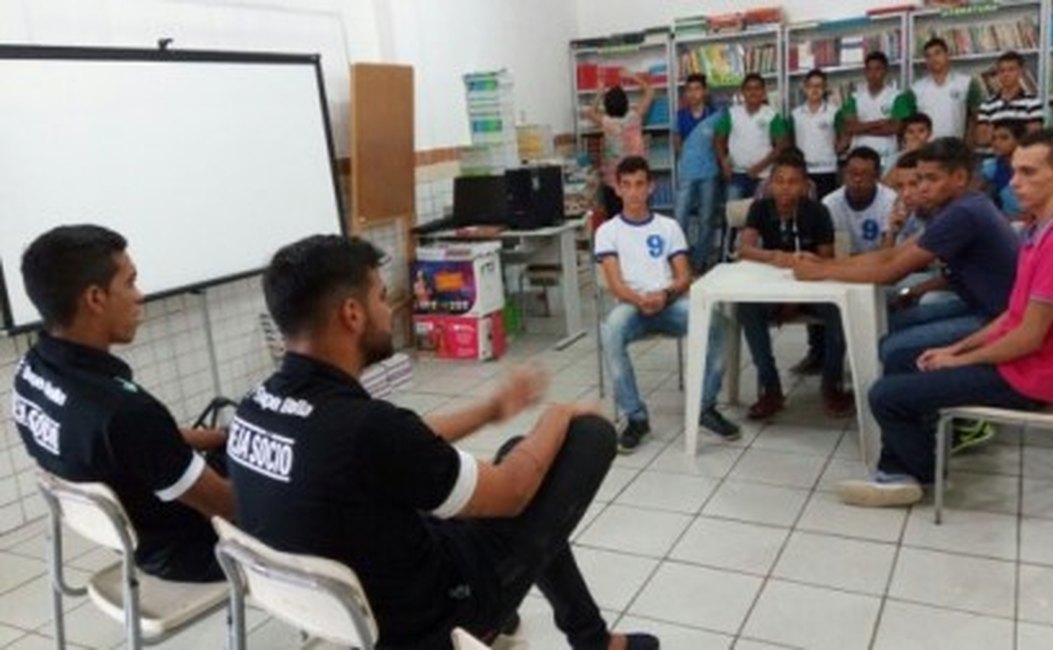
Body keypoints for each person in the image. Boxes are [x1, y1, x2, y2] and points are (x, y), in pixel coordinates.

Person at [229, 234, 661, 650]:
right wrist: (558, 413)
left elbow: (402, 443)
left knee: (527, 458)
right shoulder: (367, 428)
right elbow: (510, 493)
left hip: (354, 609)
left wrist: (491, 409)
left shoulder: (254, 407)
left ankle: (594, 640)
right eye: (381, 297)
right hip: (434, 620)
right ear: (352, 314)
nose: (391, 311)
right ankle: (577, 636)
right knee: (579, 439)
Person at [836, 128, 1053, 507]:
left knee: (885, 395)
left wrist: (958, 359)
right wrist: (958, 346)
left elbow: (1028, 337)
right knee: (902, 358)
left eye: (1029, 173)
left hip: (1029, 376)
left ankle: (917, 473)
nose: (1015, 183)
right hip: (1022, 360)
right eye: (1014, 172)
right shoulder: (1039, 229)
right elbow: (1012, 314)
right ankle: (899, 470)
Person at [14, 225, 233, 582]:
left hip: (131, 537)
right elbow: (229, 508)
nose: (139, 296)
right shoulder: (124, 411)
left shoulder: (32, 369)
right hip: (190, 550)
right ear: (95, 299)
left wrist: (223, 435)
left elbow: (143, 442)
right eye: (130, 283)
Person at [794, 138, 1019, 378]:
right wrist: (827, 263)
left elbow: (889, 273)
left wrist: (820, 272)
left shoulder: (962, 213)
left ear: (960, 178)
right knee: (889, 325)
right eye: (920, 178)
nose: (922, 188)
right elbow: (892, 254)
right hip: (978, 303)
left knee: (891, 348)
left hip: (998, 317)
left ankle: (929, 395)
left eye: (932, 179)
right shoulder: (956, 206)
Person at [596, 155, 740, 451]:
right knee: (611, 330)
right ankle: (636, 417)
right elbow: (615, 284)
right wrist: (640, 299)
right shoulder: (607, 231)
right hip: (631, 306)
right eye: (627, 185)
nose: (634, 192)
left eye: (640, 184)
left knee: (719, 325)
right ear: (618, 189)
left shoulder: (668, 226)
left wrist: (665, 295)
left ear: (651, 187)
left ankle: (705, 407)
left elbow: (684, 276)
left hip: (669, 302)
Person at [734, 154, 855, 420]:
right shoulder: (760, 208)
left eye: (793, 182)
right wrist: (774, 257)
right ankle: (771, 387)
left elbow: (827, 258)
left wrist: (809, 264)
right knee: (746, 309)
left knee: (839, 312)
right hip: (772, 288)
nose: (785, 187)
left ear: (804, 186)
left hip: (812, 288)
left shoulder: (817, 211)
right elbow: (744, 249)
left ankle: (832, 384)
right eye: (779, 181)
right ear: (770, 184)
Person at [584, 69, 655, 219]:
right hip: (638, 179)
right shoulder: (635, 118)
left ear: (607, 106)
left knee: (615, 221)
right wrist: (633, 77)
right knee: (640, 217)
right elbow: (649, 92)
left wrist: (600, 91)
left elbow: (589, 112)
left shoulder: (607, 123)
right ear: (626, 104)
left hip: (614, 182)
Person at [673, 72, 721, 271]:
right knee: (680, 217)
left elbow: (720, 143)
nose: (693, 94)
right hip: (687, 174)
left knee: (707, 218)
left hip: (709, 173)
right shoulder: (680, 116)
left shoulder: (715, 115)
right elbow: (677, 144)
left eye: (697, 89)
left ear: (705, 91)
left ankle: (699, 261)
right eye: (689, 90)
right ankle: (679, 261)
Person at [715, 72, 789, 200]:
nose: (753, 92)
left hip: (763, 175)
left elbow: (782, 146)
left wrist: (760, 167)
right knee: (734, 215)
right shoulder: (732, 113)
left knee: (761, 216)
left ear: (763, 92)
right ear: (742, 92)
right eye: (748, 89)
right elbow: (718, 140)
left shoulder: (771, 115)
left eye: (757, 88)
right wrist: (723, 161)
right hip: (736, 175)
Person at [839, 51, 915, 173]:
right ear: (865, 72)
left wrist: (861, 127)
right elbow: (850, 128)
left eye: (878, 69)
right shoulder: (854, 97)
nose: (873, 74)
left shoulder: (897, 97)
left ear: (885, 71)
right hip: (859, 159)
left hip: (887, 158)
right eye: (869, 70)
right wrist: (878, 123)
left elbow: (895, 127)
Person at [823, 146, 898, 255]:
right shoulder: (831, 203)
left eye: (864, 174)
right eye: (852, 173)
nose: (857, 179)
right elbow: (841, 253)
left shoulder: (890, 200)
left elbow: (887, 252)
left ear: (877, 176)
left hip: (880, 264)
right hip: (847, 265)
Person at [908, 38, 983, 141]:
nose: (933, 59)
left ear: (947, 55)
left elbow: (976, 118)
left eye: (937, 53)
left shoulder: (966, 83)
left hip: (956, 148)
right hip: (927, 150)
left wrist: (969, 145)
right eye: (928, 56)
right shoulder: (915, 89)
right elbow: (909, 124)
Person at [790, 68, 841, 200]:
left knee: (826, 207)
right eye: (811, 86)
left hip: (827, 169)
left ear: (825, 88)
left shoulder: (834, 112)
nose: (815, 90)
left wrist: (835, 151)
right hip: (802, 170)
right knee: (804, 208)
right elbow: (790, 140)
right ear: (805, 88)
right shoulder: (795, 114)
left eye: (819, 86)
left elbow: (844, 136)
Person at [975, 50, 1043, 147]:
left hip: (1021, 156)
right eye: (1002, 71)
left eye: (1011, 70)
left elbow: (1034, 136)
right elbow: (981, 139)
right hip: (994, 157)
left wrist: (996, 135)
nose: (1006, 74)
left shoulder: (1033, 102)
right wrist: (1019, 132)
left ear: (1020, 72)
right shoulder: (987, 105)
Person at [979, 119, 1027, 219]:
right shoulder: (993, 167)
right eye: (994, 138)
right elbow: (970, 194)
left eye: (1004, 138)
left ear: (1020, 140)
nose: (996, 143)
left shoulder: (1033, 166)